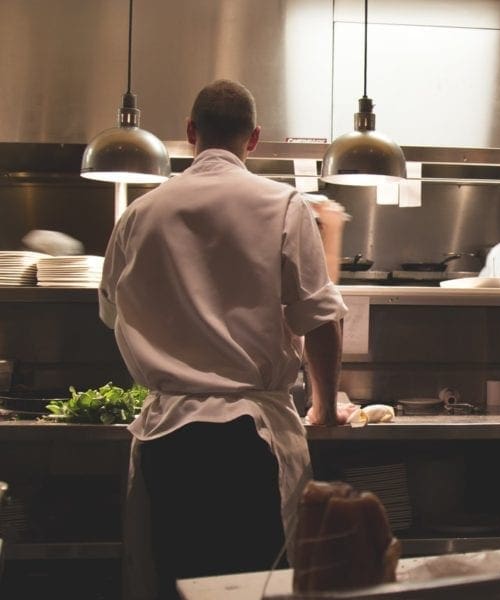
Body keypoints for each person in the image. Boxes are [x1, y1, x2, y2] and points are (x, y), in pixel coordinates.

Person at [98, 79, 347, 599]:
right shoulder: (282, 204)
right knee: (256, 590)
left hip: (168, 439)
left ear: (190, 133)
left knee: (178, 585)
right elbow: (320, 318)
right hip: (248, 441)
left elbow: (110, 312)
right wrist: (322, 408)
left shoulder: (138, 214)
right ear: (253, 138)